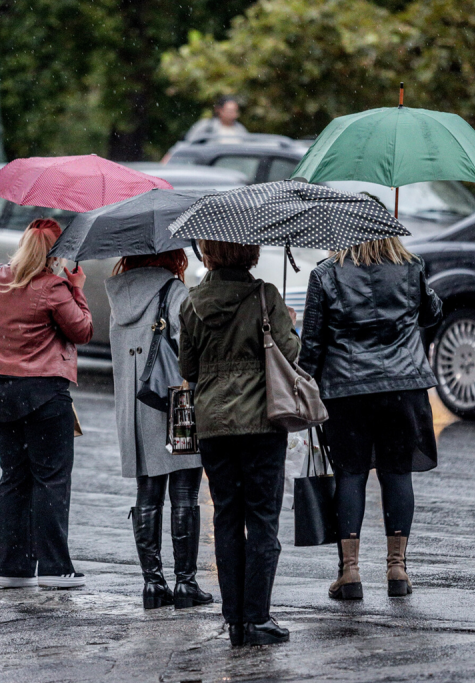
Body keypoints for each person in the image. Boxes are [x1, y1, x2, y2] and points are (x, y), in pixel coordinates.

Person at [298, 237, 443, 601]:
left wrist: (303, 387)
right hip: (402, 387)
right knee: (397, 472)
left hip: (347, 391)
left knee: (351, 474)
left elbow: (313, 342)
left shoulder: (325, 275)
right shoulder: (411, 267)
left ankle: (350, 573)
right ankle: (397, 569)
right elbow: (432, 314)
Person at [0, 219, 93, 589]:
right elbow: (82, 330)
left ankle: (10, 566)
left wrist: (1, 330)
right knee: (50, 478)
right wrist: (77, 288)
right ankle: (54, 568)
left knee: (13, 477)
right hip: (44, 394)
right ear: (54, 254)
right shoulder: (54, 287)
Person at [179, 240, 299, 647]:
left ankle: (234, 620)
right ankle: (257, 618)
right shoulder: (266, 295)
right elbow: (290, 353)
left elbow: (188, 367)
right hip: (262, 422)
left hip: (213, 423)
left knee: (226, 516)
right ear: (249, 251)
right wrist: (288, 323)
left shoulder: (192, 303)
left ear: (208, 254)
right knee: (263, 518)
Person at [106, 250, 213, 610]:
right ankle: (185, 583)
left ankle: (153, 584)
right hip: (175, 403)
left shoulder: (117, 296)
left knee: (147, 493)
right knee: (184, 492)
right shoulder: (174, 292)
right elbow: (190, 351)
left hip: (135, 407)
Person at [184, 95, 248, 142]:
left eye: (235, 111)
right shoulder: (207, 126)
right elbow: (189, 142)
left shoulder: (240, 129)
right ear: (219, 110)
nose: (233, 114)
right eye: (230, 111)